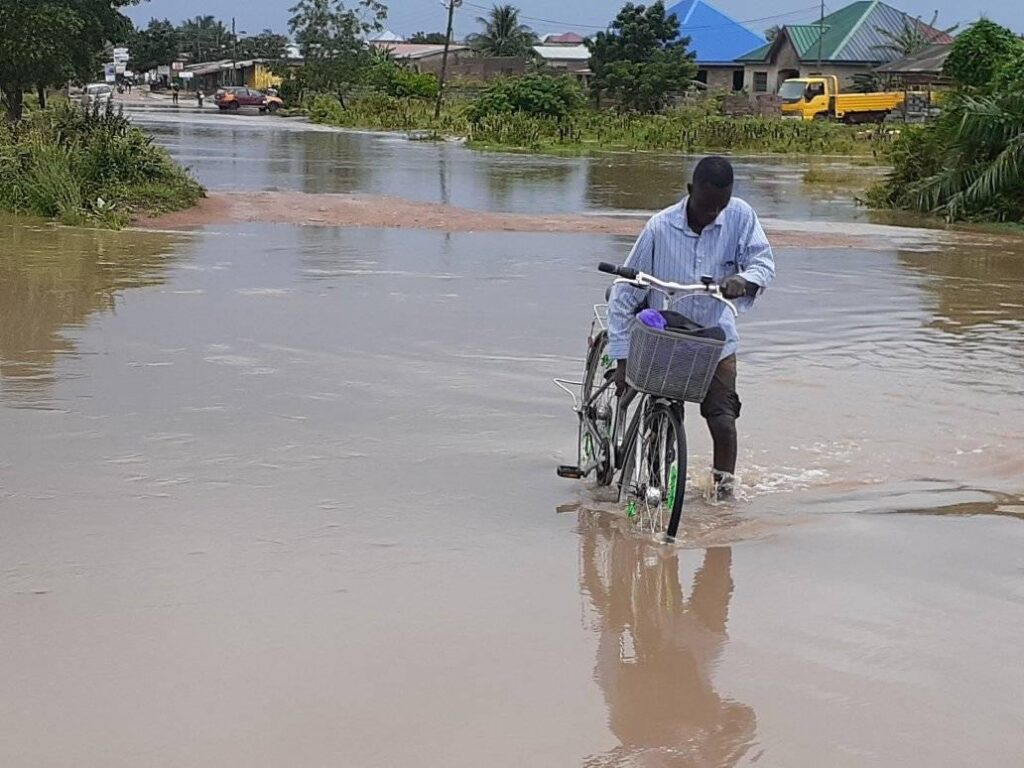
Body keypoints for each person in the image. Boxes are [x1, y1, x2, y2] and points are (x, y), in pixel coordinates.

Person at [607, 156, 775, 500]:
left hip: (715, 338)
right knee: (661, 414)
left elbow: (763, 262)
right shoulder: (659, 228)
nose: (712, 214)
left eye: (719, 207)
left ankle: (724, 494)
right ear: (689, 191)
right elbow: (625, 295)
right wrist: (622, 360)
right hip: (667, 339)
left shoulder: (740, 215)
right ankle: (652, 487)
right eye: (705, 206)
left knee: (723, 418)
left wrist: (743, 280)